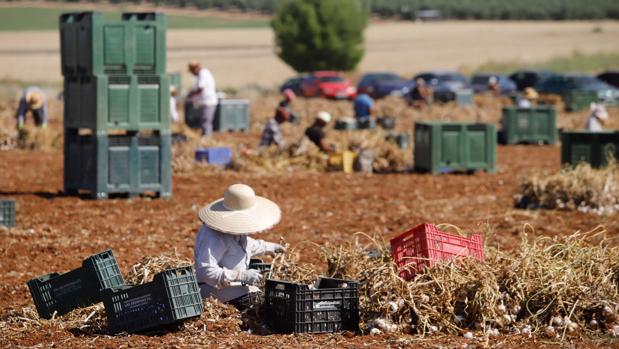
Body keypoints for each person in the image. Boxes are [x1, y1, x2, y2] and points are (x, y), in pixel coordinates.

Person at [194, 183, 286, 307]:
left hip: (232, 287)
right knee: (259, 299)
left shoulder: (234, 232)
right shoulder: (215, 237)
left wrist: (269, 247)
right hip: (212, 290)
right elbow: (205, 271)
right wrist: (239, 275)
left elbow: (245, 245)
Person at [187, 61, 218, 137]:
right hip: (204, 102)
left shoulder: (203, 74)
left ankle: (207, 139)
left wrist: (191, 94)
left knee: (205, 121)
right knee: (204, 121)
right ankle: (205, 137)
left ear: (196, 68)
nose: (192, 73)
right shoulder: (200, 75)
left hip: (208, 102)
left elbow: (201, 89)